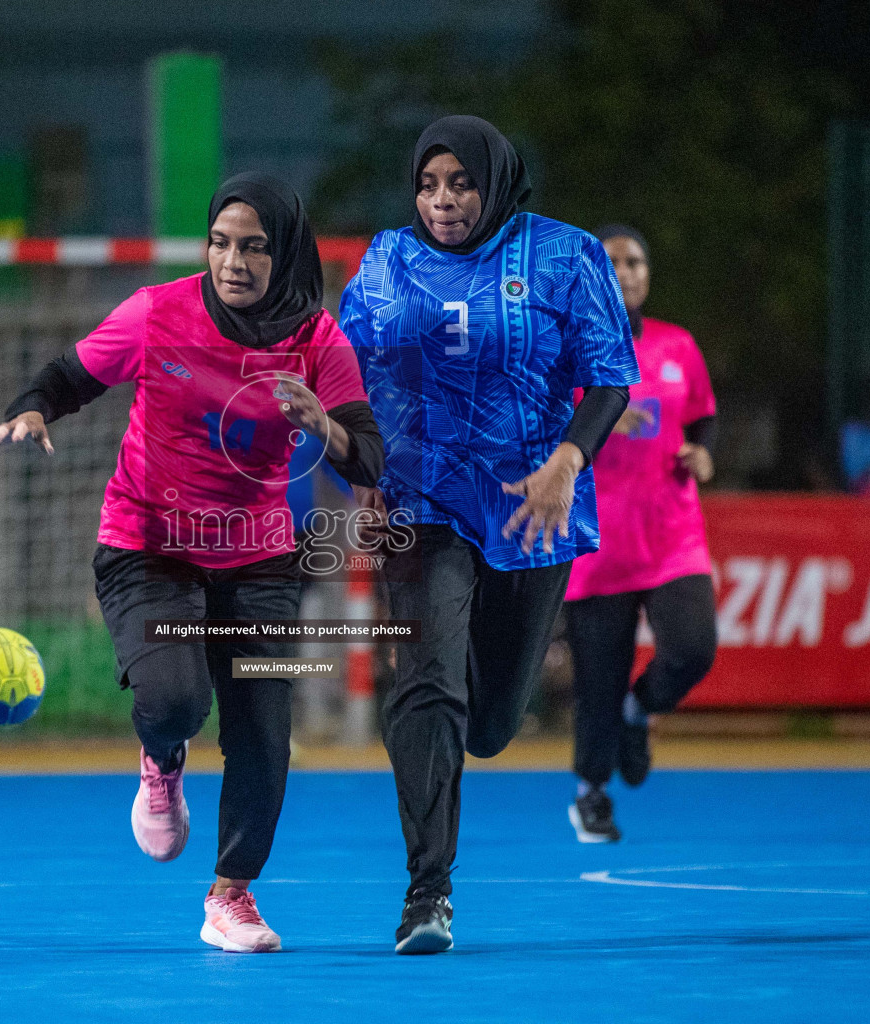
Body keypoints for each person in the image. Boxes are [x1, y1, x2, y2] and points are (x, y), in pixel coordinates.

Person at [0, 173, 383, 953]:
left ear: (286, 253)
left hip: (258, 560)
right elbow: (67, 376)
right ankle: (161, 759)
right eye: (221, 242)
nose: (233, 261)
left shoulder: (320, 342)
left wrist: (322, 425)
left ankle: (231, 896)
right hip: (148, 546)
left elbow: (367, 458)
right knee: (175, 701)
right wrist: (27, 410)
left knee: (264, 728)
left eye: (255, 247)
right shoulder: (158, 313)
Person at [340, 116, 637, 954]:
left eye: (461, 183)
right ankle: (426, 894)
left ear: (495, 181)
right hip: (420, 500)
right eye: (429, 184)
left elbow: (612, 376)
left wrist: (569, 461)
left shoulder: (567, 254)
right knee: (428, 684)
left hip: (530, 507)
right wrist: (351, 459)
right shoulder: (388, 259)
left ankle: (455, 705)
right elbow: (347, 369)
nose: (443, 201)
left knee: (492, 725)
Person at [561, 225, 719, 843]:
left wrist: (702, 454)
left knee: (692, 649)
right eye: (611, 262)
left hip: (673, 537)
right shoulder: (565, 350)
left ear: (648, 275)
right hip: (595, 545)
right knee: (596, 683)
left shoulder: (679, 345)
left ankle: (641, 709)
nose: (625, 271)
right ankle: (590, 793)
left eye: (635, 262)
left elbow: (703, 417)